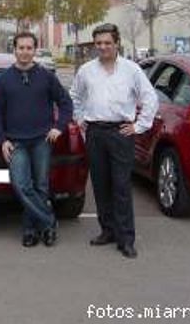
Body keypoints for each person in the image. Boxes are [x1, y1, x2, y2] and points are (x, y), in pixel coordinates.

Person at [70, 23, 157, 259]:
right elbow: (74, 96)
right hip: (95, 133)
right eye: (98, 43)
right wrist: (80, 119)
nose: (103, 47)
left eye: (107, 42)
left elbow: (150, 98)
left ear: (116, 43)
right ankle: (107, 230)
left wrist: (139, 126)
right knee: (100, 184)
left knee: (121, 186)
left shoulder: (131, 70)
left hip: (121, 133)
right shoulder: (86, 70)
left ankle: (126, 238)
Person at [0, 31, 73, 247]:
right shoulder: (3, 80)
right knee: (21, 185)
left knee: (41, 186)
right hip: (15, 143)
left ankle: (33, 230)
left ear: (34, 50)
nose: (25, 52)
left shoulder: (46, 76)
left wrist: (59, 127)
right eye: (21, 48)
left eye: (29, 48)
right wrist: (2, 140)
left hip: (41, 141)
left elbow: (66, 104)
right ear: (14, 50)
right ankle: (49, 221)